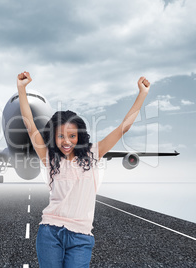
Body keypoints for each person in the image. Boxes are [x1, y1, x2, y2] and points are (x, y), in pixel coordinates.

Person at [16, 71, 150, 267]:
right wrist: (21, 89)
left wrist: (142, 94)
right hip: (49, 233)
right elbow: (30, 127)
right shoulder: (50, 158)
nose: (66, 141)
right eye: (60, 136)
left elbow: (124, 127)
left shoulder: (93, 153)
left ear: (79, 136)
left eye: (72, 135)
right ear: (53, 137)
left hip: (81, 237)